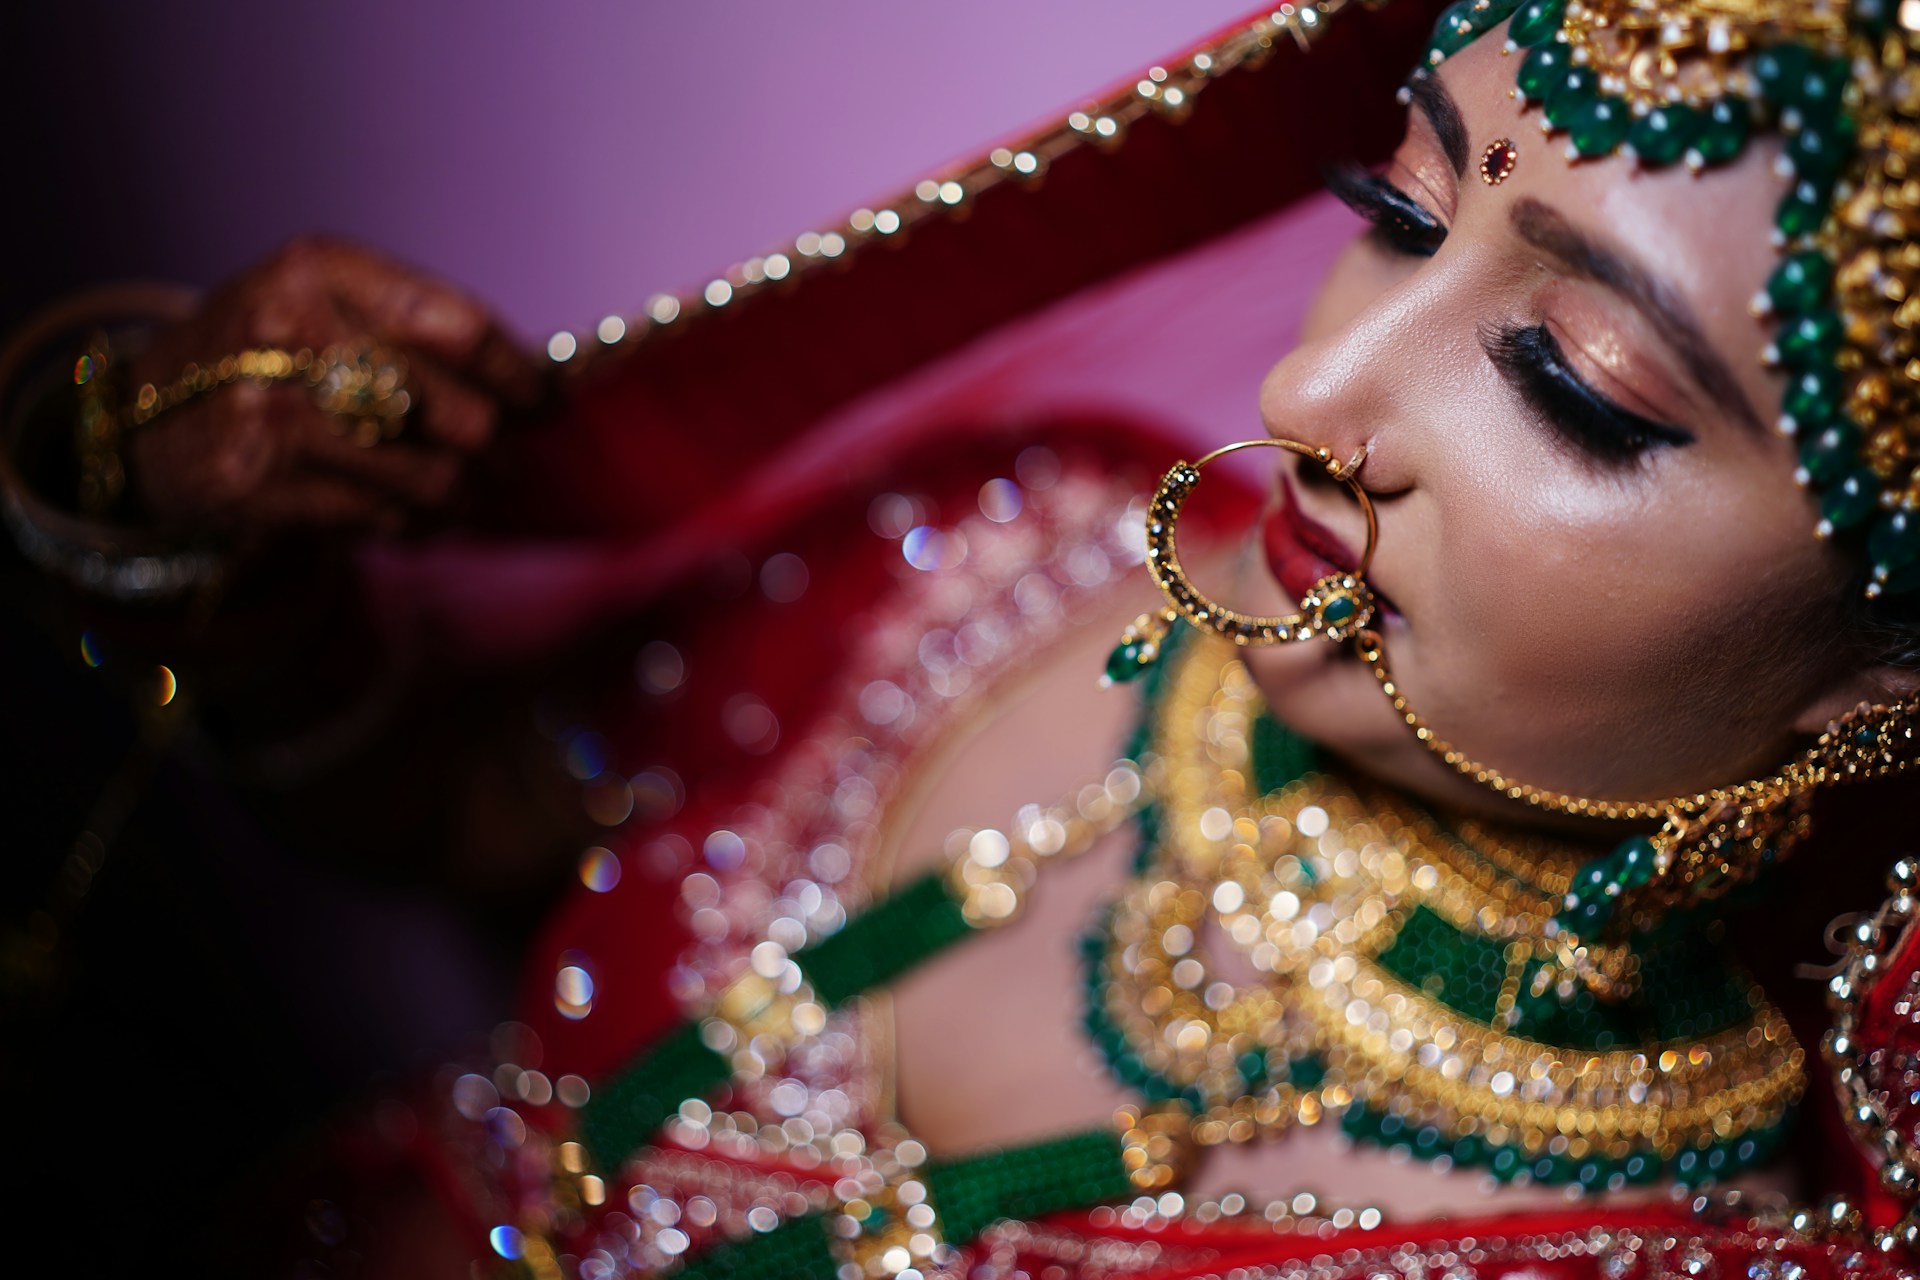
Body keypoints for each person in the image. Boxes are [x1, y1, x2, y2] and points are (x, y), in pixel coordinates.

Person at [8, 0, 1920, 1275]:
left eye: (1575, 385)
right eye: (1398, 211)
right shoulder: (1025, 560)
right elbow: (470, 817)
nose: (1317, 380)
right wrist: (224, 558)